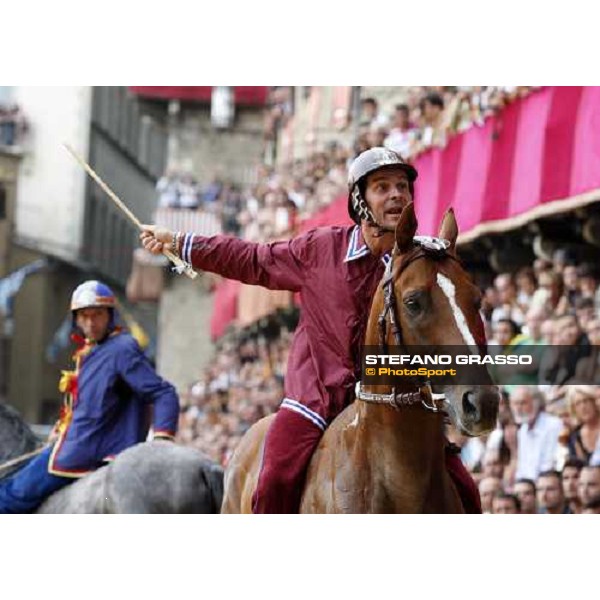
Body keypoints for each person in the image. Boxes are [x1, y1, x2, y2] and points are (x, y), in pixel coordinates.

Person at [140, 147, 483, 514]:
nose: (397, 194)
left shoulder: (417, 265)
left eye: (402, 186)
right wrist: (181, 244)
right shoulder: (318, 249)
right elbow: (252, 260)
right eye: (382, 187)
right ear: (359, 200)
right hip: (314, 399)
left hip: (392, 399)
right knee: (272, 480)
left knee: (466, 491)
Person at [0, 281, 179, 513]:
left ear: (110, 315)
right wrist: (61, 429)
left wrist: (163, 439)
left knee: (7, 496)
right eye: (84, 316)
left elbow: (164, 392)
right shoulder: (91, 352)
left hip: (83, 452)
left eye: (97, 315)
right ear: (76, 319)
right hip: (73, 443)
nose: (90, 323)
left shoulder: (121, 348)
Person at [509, 386, 562, 481]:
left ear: (535, 404)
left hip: (547, 482)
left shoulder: (553, 425)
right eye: (515, 404)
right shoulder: (522, 431)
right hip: (527, 486)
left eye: (523, 403)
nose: (518, 408)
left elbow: (550, 463)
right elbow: (522, 467)